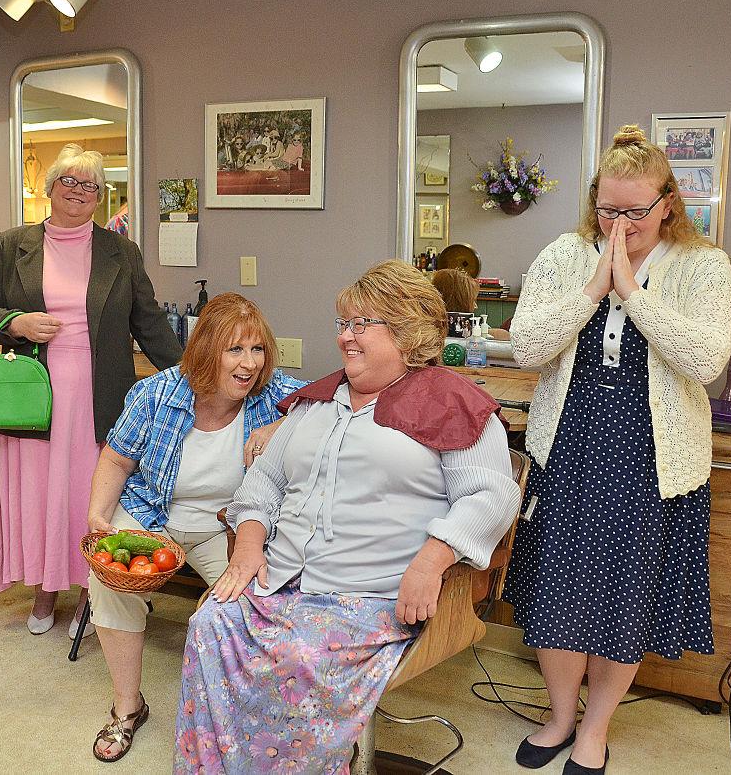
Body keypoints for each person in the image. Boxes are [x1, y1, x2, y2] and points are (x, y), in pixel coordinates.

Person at [174, 261, 520, 773]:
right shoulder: (315, 403)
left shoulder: (452, 404)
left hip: (370, 596)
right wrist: (247, 545)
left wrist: (433, 558)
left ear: (405, 331)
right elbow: (262, 483)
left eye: (361, 324)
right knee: (210, 622)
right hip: (281, 580)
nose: (344, 337)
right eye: (343, 324)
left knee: (300, 656)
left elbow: (490, 496)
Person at [502, 125, 731, 773]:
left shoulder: (704, 266)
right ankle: (559, 716)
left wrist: (631, 291)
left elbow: (706, 360)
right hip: (570, 443)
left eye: (636, 211)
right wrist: (592, 290)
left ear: (668, 202)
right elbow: (527, 346)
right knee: (557, 591)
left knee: (622, 598)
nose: (621, 224)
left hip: (652, 456)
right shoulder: (563, 254)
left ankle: (595, 728)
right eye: (608, 209)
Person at [0, 144, 182, 637]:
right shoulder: (12, 244)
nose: (79, 191)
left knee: (90, 495)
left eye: (91, 185)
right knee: (41, 497)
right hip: (33, 398)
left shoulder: (121, 251)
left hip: (99, 395)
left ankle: (93, 591)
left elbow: (149, 322)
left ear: (100, 196)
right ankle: (44, 589)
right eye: (69, 180)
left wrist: (193, 376)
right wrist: (17, 322)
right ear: (50, 188)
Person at [85, 293, 304, 762]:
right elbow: (117, 459)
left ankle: (244, 715)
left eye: (257, 349)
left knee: (255, 603)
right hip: (152, 514)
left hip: (226, 525)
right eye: (235, 350)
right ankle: (127, 707)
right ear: (207, 351)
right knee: (107, 582)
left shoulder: (275, 394)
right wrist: (99, 516)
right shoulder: (156, 394)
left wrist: (281, 426)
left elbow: (334, 394)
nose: (249, 363)